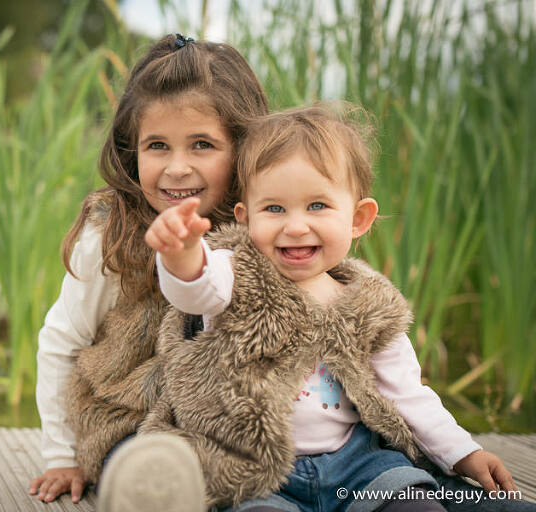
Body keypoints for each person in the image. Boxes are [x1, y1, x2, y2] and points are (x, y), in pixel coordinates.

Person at [142, 103, 527, 511]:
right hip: (260, 472)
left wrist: (464, 453)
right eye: (273, 208)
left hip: (357, 465)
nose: (295, 226)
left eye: (317, 206)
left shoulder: (365, 304)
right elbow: (194, 291)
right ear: (246, 217)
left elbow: (407, 394)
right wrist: (183, 254)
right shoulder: (235, 274)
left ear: (358, 218)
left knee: (418, 504)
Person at [27, 32, 269, 506]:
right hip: (129, 418)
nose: (177, 168)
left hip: (226, 427)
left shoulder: (264, 223)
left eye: (202, 144)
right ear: (130, 150)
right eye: (157, 145)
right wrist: (61, 454)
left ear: (242, 148)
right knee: (151, 470)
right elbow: (62, 339)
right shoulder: (112, 234)